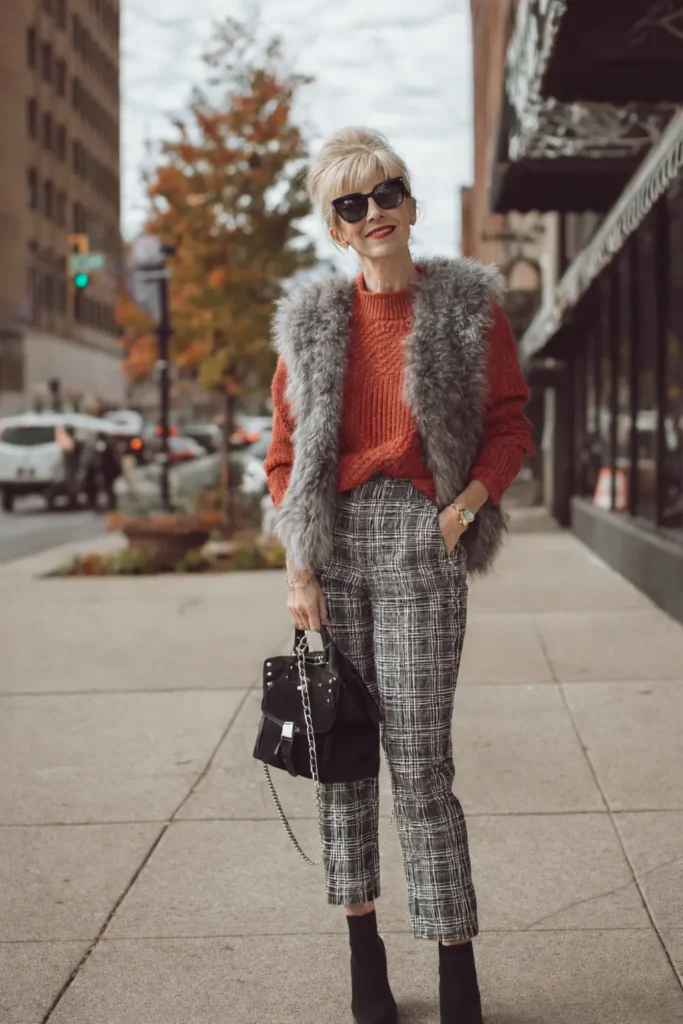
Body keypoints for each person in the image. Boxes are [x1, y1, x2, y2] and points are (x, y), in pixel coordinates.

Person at [263, 127, 534, 1024]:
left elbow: (508, 424)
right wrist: (299, 570)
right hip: (334, 549)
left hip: (424, 539)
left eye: (385, 193)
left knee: (420, 767)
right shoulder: (310, 324)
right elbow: (284, 456)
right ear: (335, 229)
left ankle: (456, 967)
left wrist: (460, 511)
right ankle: (362, 956)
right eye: (351, 204)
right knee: (343, 765)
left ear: (409, 204)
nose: (372, 213)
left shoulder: (467, 308)